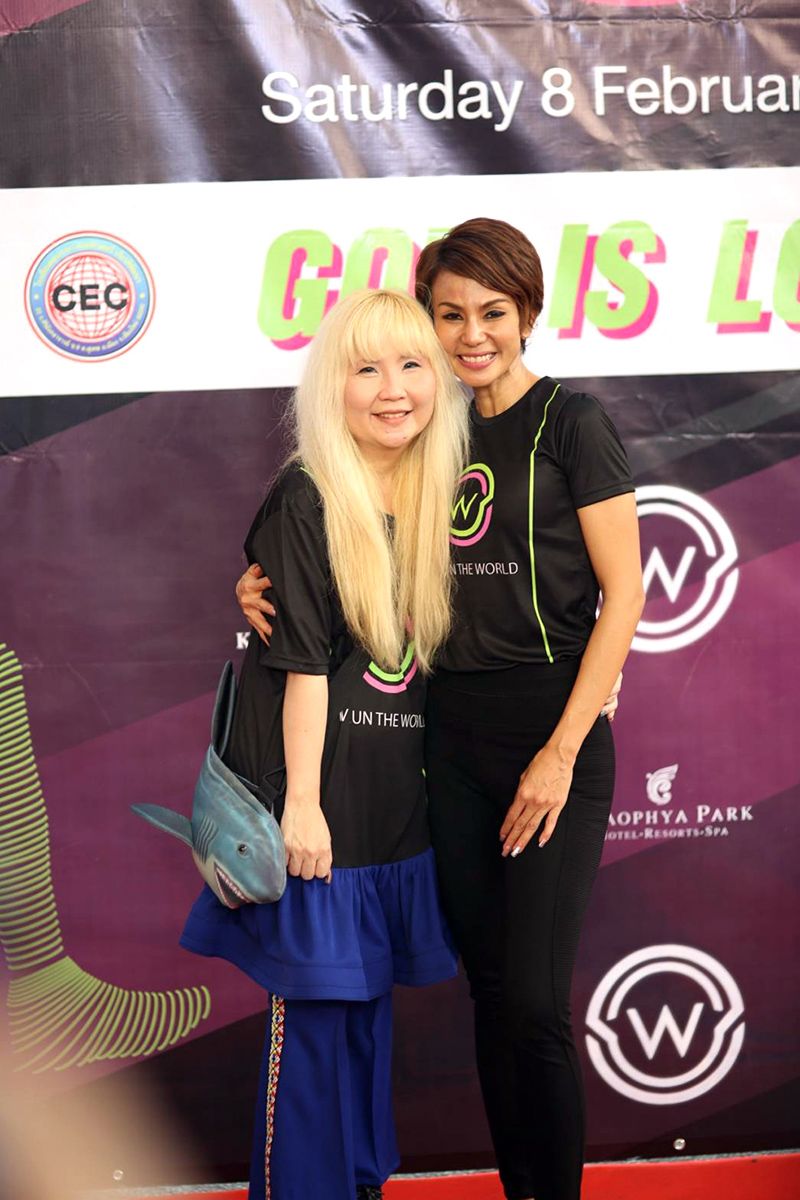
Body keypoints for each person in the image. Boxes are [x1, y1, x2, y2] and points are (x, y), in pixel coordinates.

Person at [236, 219, 645, 1200]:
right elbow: (343, 534)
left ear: (527, 313)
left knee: (536, 1003)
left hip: (550, 736)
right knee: (492, 993)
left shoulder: (571, 424)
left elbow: (624, 595)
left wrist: (560, 751)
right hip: (450, 743)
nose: (471, 335)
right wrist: (257, 586)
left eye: (492, 313)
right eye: (450, 315)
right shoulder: (431, 427)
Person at [181, 288, 469, 1200]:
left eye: (412, 365)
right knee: (310, 1038)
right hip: (317, 814)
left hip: (395, 815)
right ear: (331, 386)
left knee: (364, 1030)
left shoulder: (444, 492)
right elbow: (304, 669)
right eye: (366, 369)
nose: (393, 389)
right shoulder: (306, 496)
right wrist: (301, 807)